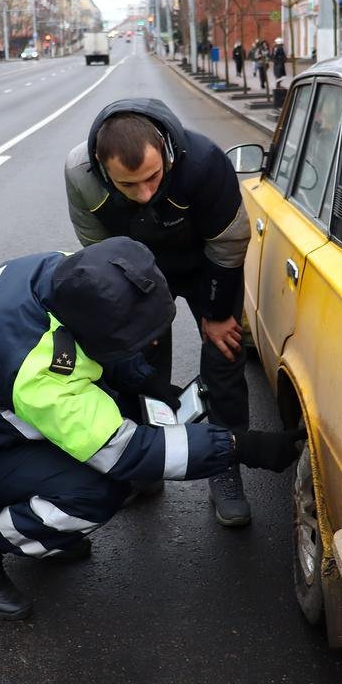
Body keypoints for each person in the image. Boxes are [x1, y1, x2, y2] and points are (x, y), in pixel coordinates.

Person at [0, 238, 303, 620]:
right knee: (98, 488)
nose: (149, 346)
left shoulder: (62, 272)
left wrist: (147, 381)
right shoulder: (41, 374)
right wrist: (240, 446)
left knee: (112, 413)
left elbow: (94, 339)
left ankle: (40, 527)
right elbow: (127, 453)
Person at [65, 99, 256, 527]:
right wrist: (134, 313)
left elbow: (228, 246)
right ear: (101, 165)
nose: (145, 193)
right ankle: (146, 465)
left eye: (152, 178)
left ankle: (226, 466)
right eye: (128, 185)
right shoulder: (81, 174)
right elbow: (100, 253)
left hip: (207, 264)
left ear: (165, 153)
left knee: (224, 358)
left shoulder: (205, 162)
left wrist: (217, 311)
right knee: (138, 363)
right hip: (137, 270)